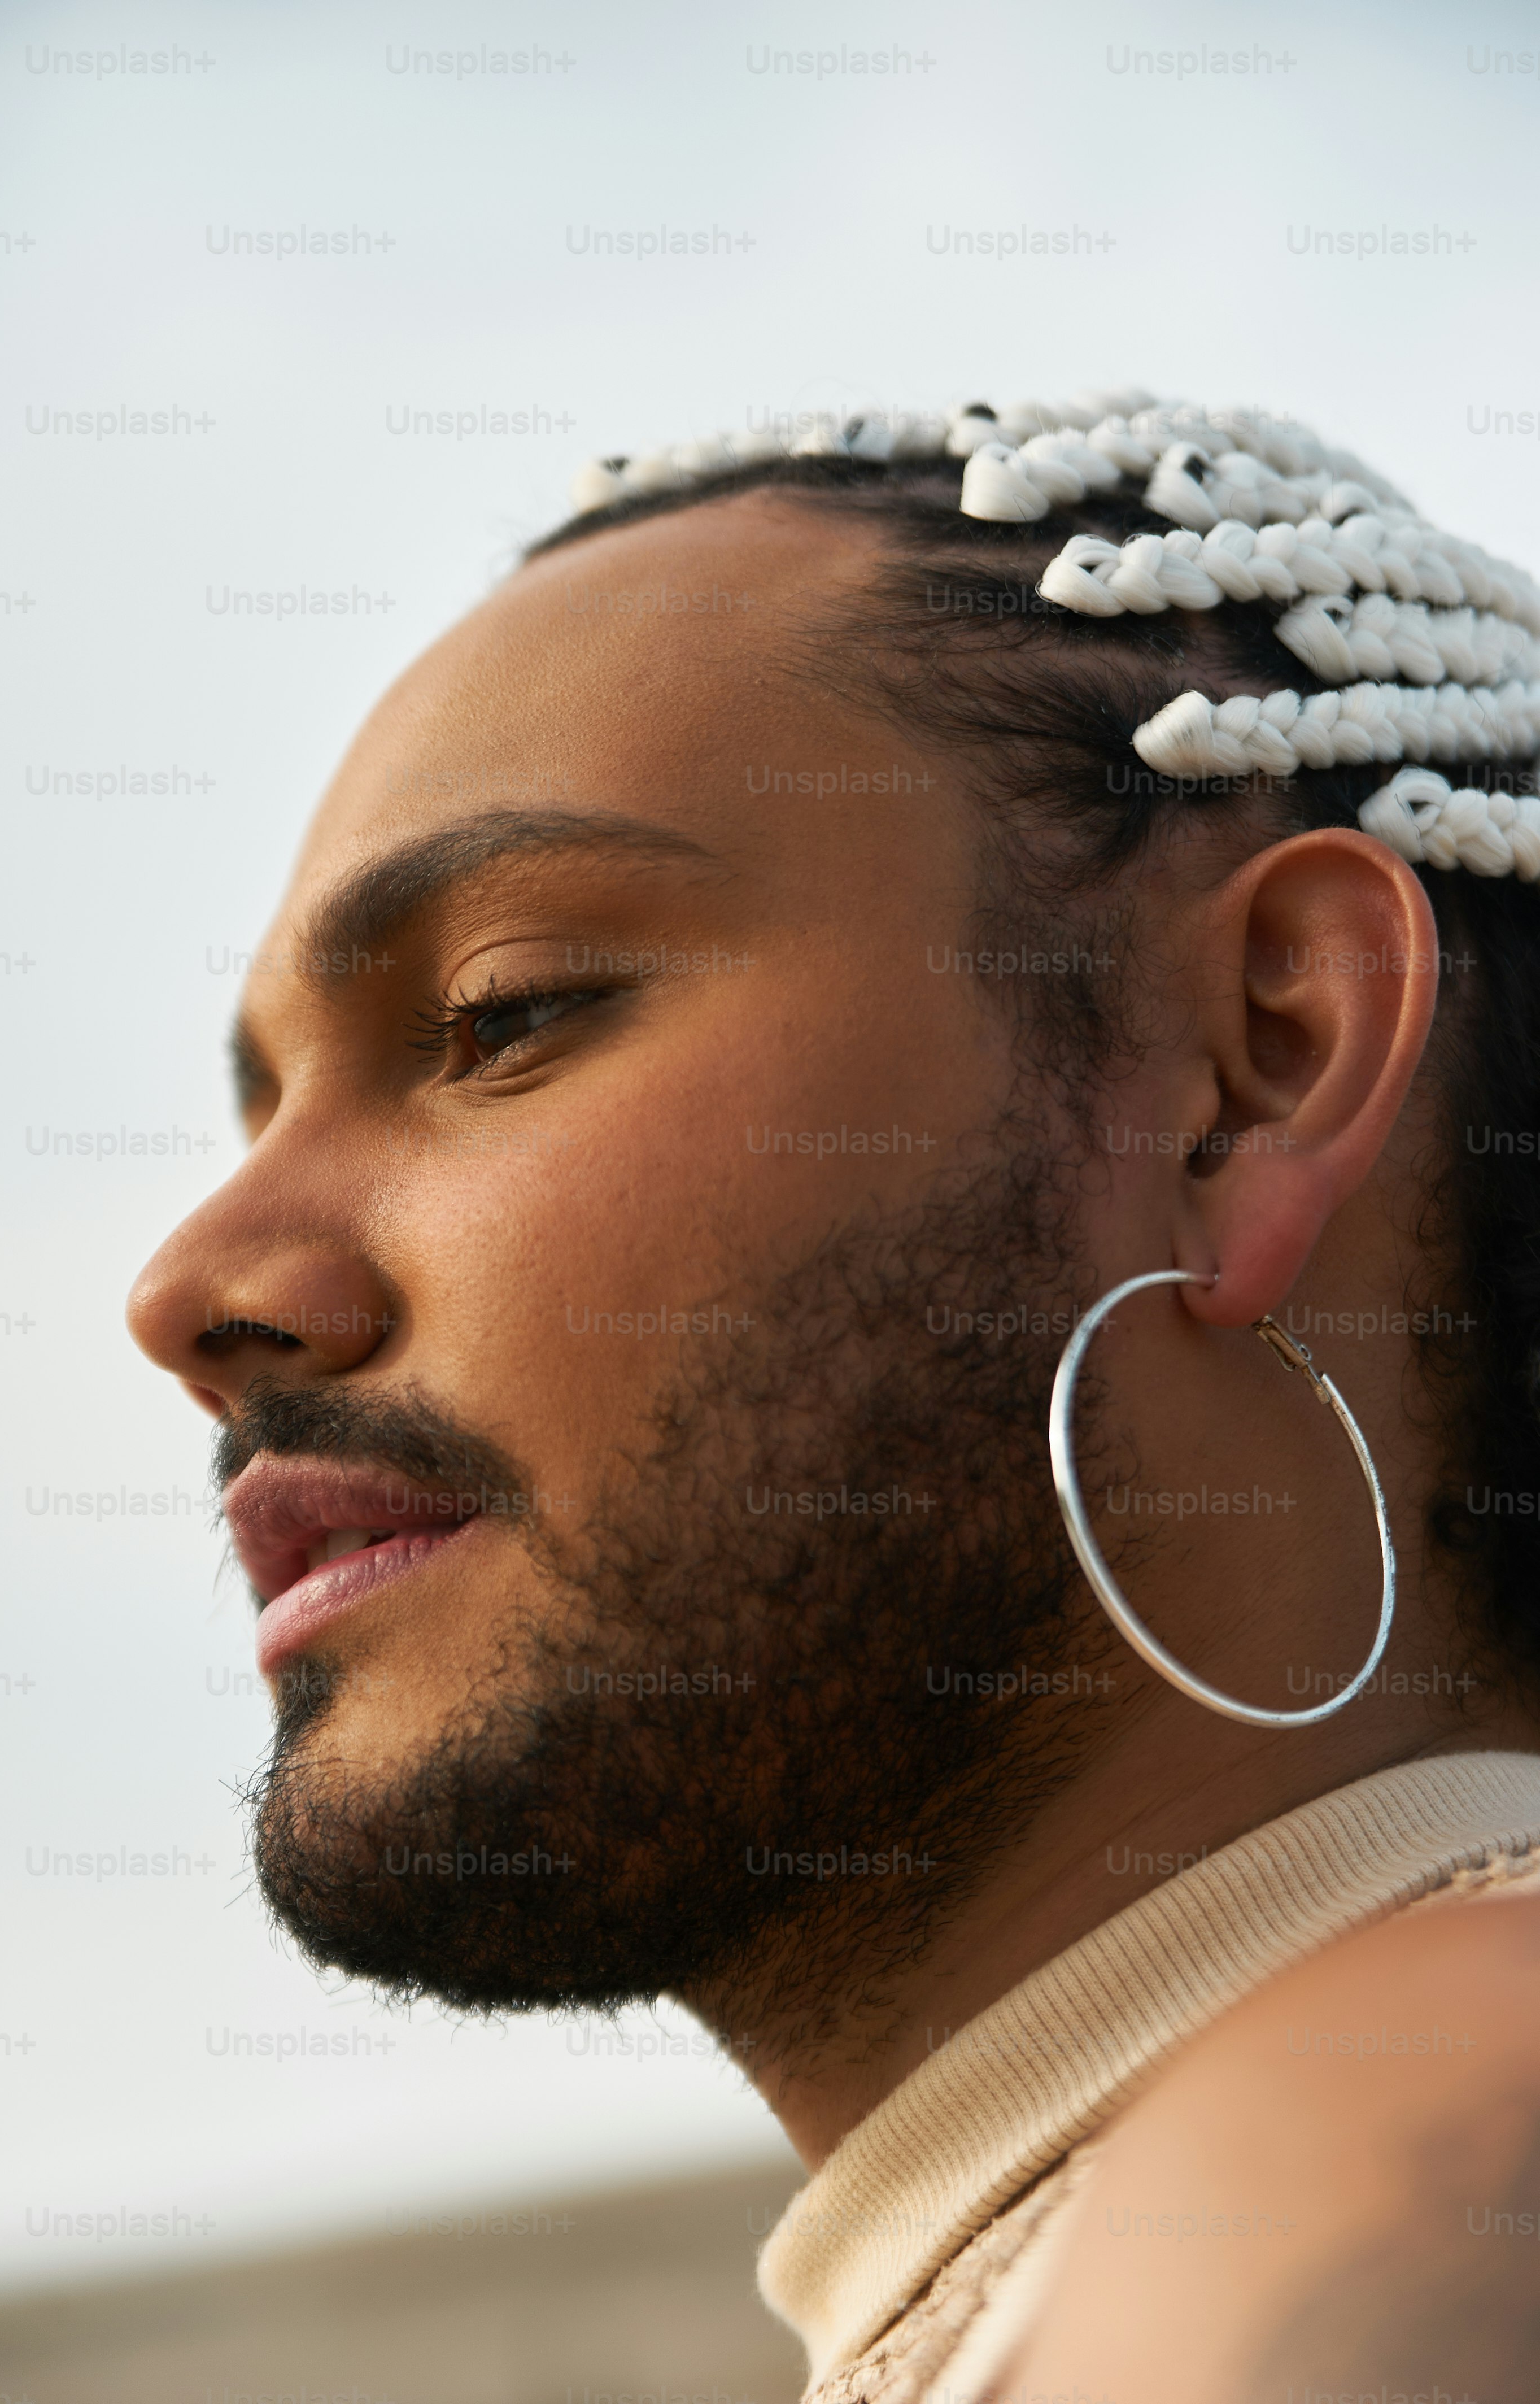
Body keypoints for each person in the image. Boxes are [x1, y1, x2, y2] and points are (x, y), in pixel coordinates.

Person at [128, 389, 1540, 2401]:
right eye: (261, 1110)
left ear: (1257, 1064)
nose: (193, 1291)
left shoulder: (1388, 2165)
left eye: (498, 1016)